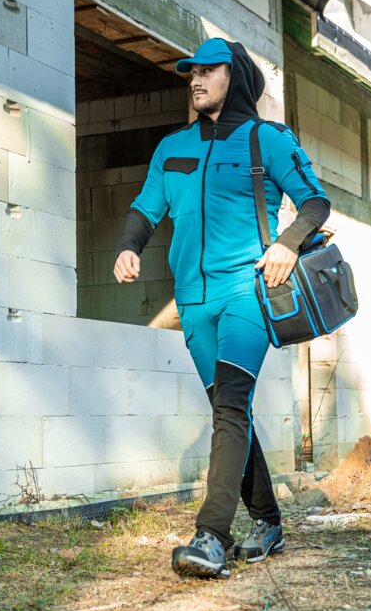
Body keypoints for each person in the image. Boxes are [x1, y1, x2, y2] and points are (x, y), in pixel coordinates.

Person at [112, 37, 331, 577]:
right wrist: (127, 246)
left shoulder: (267, 140)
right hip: (193, 302)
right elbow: (145, 208)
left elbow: (315, 201)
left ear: (234, 77)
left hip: (246, 293)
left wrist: (288, 244)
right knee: (229, 412)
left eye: (208, 70)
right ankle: (270, 522)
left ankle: (211, 536)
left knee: (231, 404)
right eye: (192, 71)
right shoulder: (172, 148)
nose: (196, 79)